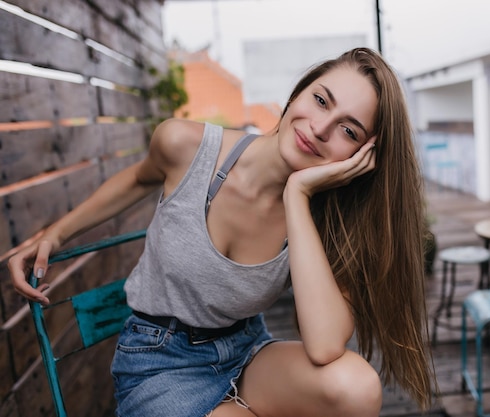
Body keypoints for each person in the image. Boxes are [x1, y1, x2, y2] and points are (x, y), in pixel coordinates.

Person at [9, 47, 436, 417]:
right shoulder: (186, 146)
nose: (320, 128)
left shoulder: (328, 217)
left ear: (363, 156)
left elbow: (324, 347)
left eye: (348, 130)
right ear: (297, 93)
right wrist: (57, 233)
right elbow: (139, 180)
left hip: (246, 351)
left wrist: (297, 194)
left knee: (357, 388)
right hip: (159, 362)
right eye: (321, 100)